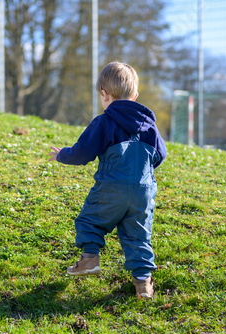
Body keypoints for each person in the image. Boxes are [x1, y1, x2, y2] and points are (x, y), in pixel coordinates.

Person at [49, 61, 167, 299]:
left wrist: (62, 154)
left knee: (91, 221)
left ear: (104, 94)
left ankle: (90, 259)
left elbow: (83, 153)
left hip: (112, 186)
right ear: (134, 95)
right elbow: (160, 155)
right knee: (138, 235)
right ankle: (143, 283)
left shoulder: (104, 122)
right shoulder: (150, 127)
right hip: (144, 190)